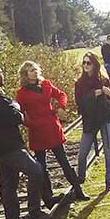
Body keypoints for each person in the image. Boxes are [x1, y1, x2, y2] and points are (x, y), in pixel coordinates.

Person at [0, 63, 55, 219]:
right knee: (36, 170)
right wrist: (18, 110)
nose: (2, 75)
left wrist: (13, 107)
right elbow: (15, 115)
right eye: (1, 72)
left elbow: (11, 109)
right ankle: (34, 211)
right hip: (9, 146)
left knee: (9, 185)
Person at [14, 61, 89, 202]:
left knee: (64, 161)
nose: (34, 72)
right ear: (25, 74)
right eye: (31, 70)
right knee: (41, 166)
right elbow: (19, 114)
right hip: (37, 131)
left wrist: (61, 107)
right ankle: (48, 197)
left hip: (52, 127)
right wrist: (31, 123)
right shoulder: (21, 94)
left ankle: (78, 190)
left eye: (35, 69)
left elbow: (61, 95)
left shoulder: (46, 84)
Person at [75, 52, 110, 191]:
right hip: (90, 120)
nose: (86, 65)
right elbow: (79, 103)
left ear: (94, 64)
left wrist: (108, 92)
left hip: (105, 117)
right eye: (84, 63)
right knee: (82, 154)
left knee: (108, 150)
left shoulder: (103, 79)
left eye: (89, 63)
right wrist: (94, 94)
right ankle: (80, 178)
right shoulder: (79, 83)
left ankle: (108, 181)